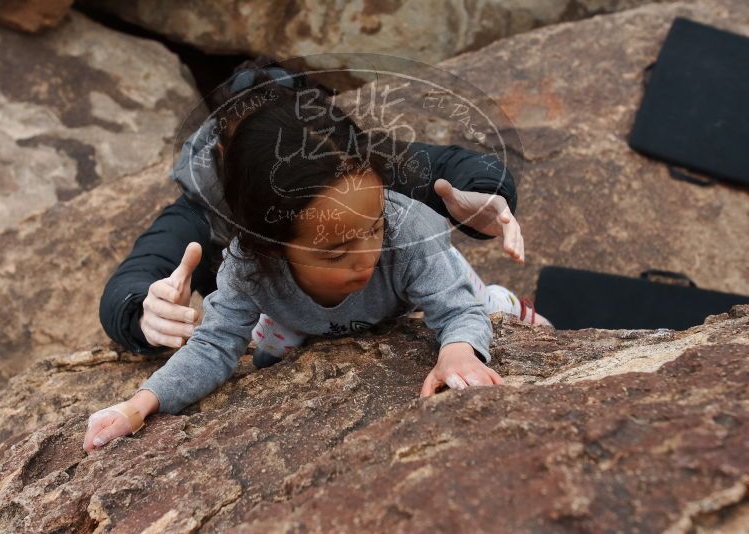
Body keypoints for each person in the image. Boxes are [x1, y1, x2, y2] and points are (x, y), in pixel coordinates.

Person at [84, 76, 552, 452]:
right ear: (270, 246)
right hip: (298, 314)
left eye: (373, 230)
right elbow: (214, 344)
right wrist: (141, 396)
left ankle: (505, 302)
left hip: (419, 290)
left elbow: (454, 307)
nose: (366, 257)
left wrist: (458, 349)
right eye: (334, 250)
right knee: (268, 346)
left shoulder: (360, 181)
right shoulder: (245, 259)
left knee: (481, 307)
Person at [97, 57, 543, 365]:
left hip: (394, 304)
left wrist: (483, 197)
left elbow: (456, 168)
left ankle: (497, 303)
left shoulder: (342, 165)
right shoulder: (202, 208)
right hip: (286, 319)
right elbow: (139, 273)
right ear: (224, 153)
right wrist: (142, 313)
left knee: (467, 298)